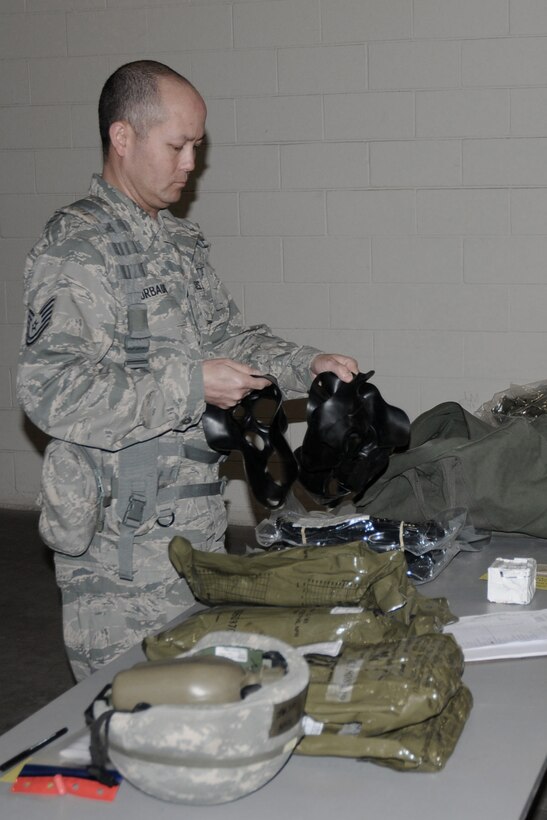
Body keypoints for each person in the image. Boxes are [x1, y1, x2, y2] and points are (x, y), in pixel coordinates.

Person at [16, 60, 359, 681]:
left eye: (197, 146)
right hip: (122, 559)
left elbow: (228, 337)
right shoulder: (77, 249)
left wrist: (307, 364)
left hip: (196, 533)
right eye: (177, 145)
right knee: (129, 713)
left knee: (202, 711)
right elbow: (52, 392)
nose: (190, 163)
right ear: (123, 137)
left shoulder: (177, 246)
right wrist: (190, 384)